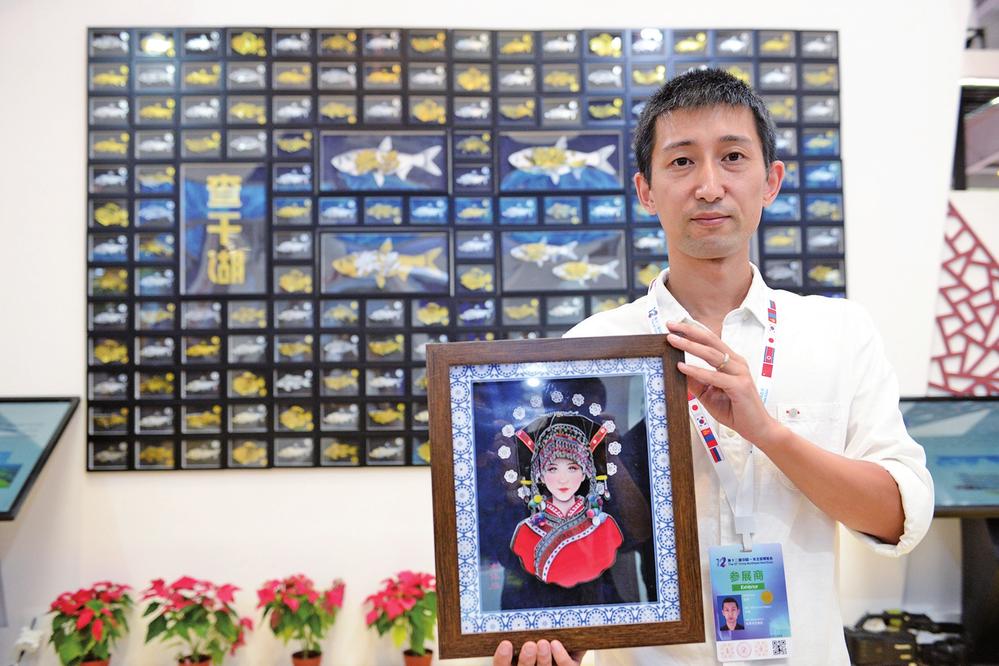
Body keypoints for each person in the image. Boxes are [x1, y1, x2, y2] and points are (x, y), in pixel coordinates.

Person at [492, 68, 933, 666]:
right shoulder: (593, 348)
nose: (708, 186)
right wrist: (555, 637)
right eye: (681, 162)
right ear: (646, 190)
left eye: (732, 157)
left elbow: (897, 517)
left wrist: (767, 432)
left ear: (770, 180)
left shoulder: (839, 333)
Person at [508, 412, 624, 588]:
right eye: (552, 469)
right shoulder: (526, 529)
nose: (563, 479)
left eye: (572, 468)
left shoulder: (605, 525)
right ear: (540, 476)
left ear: (585, 473)